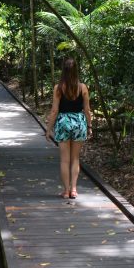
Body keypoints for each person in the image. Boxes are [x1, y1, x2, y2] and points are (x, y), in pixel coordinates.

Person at [45, 57, 92, 199]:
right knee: (75, 159)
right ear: (76, 70)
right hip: (78, 122)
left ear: (63, 71)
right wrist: (89, 126)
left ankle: (66, 191)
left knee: (64, 159)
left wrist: (48, 129)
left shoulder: (58, 88)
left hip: (63, 122)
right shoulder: (83, 87)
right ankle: (74, 190)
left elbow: (54, 111)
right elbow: (87, 109)